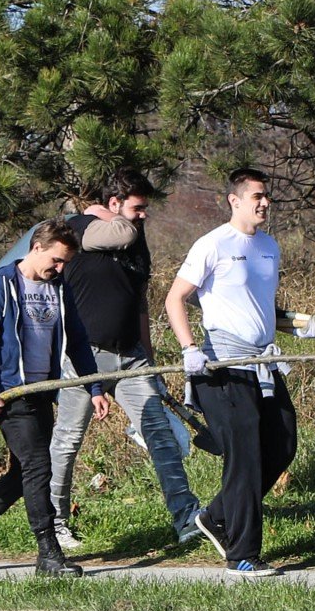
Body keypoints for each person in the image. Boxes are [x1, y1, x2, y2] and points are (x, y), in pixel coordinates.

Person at [163, 168, 315, 577]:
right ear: (234, 201)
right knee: (245, 456)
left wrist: (298, 325)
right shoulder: (213, 244)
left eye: (267, 196)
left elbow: (260, 308)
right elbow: (175, 298)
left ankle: (216, 516)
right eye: (256, 197)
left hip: (261, 362)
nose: (264, 203)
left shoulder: (269, 246)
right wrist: (189, 349)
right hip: (222, 366)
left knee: (283, 443)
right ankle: (242, 555)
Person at [0, 219, 109, 577]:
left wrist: (94, 387)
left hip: (41, 393)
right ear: (36, 248)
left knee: (24, 473)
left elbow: (78, 341)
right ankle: (48, 554)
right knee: (38, 466)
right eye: (56, 260)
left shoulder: (58, 288)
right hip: (10, 395)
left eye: (65, 263)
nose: (60, 269)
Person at [48, 167, 202, 548]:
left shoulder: (136, 242)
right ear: (113, 203)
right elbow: (120, 231)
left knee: (160, 435)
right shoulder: (81, 228)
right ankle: (53, 524)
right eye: (137, 208)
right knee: (67, 441)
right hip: (86, 357)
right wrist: (100, 211)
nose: (143, 216)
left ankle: (186, 517)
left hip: (131, 358)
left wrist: (150, 360)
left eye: (145, 208)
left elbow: (141, 306)